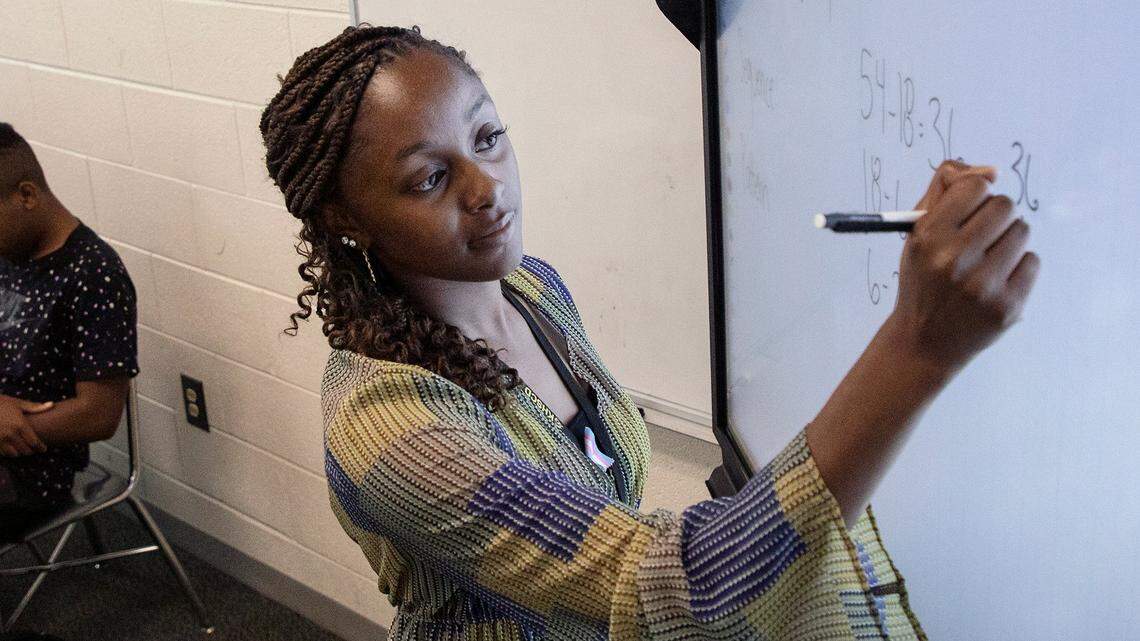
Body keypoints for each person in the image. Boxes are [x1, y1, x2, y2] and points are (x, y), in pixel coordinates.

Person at [259, 25, 1038, 640]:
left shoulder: (533, 290)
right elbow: (654, 586)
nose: (486, 187)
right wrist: (916, 346)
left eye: (488, 137)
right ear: (345, 217)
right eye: (431, 177)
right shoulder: (390, 429)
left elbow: (609, 507)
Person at [0, 123, 139, 543]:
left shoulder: (93, 273)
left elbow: (99, 414)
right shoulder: (9, 249)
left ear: (26, 195)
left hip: (31, 471)